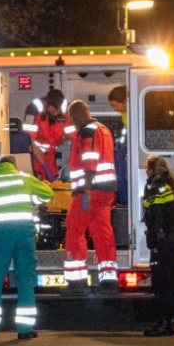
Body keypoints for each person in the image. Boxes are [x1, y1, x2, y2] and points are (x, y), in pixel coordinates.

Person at [0, 155, 54, 340]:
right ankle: (25, 330)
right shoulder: (25, 178)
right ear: (14, 165)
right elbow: (48, 194)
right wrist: (32, 198)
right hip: (24, 234)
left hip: (1, 236)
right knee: (25, 280)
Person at [63, 100, 118, 290]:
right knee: (101, 231)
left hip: (91, 190)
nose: (72, 122)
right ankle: (108, 276)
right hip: (107, 191)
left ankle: (76, 278)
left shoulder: (87, 131)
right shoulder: (103, 129)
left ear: (77, 115)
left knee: (74, 227)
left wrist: (85, 191)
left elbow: (90, 161)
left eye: (71, 118)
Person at [141, 155, 174, 337]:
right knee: (172, 282)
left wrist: (153, 242)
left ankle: (163, 324)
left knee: (161, 284)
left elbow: (155, 218)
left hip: (163, 242)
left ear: (150, 169)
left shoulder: (155, 187)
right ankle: (172, 324)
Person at [23, 88, 71, 182]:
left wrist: (70, 163)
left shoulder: (67, 111)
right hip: (36, 159)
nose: (55, 113)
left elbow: (74, 139)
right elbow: (30, 141)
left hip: (52, 159)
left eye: (58, 110)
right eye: (53, 111)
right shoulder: (33, 110)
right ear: (46, 104)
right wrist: (45, 168)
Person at [107, 86, 129, 206]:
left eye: (116, 105)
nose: (116, 109)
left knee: (121, 170)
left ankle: (123, 200)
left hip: (128, 145)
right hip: (126, 145)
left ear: (125, 102)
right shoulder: (125, 112)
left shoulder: (132, 112)